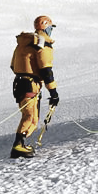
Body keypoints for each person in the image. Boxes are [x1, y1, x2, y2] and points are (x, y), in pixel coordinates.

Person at [10, 15, 59, 159]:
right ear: (46, 27)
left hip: (19, 83)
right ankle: (18, 146)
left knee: (31, 118)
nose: (51, 31)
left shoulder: (23, 43)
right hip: (30, 85)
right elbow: (46, 70)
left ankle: (20, 144)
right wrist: (53, 93)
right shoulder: (43, 44)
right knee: (30, 116)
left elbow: (13, 65)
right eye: (50, 28)